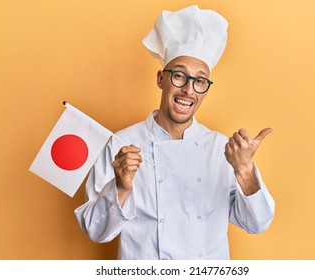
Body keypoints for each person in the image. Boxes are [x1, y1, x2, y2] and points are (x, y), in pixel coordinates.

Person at [75, 5, 275, 260]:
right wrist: (121, 187)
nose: (188, 90)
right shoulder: (120, 145)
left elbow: (257, 223)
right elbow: (95, 230)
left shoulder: (221, 150)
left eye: (200, 81)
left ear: (206, 89)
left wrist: (245, 170)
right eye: (179, 76)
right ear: (161, 78)